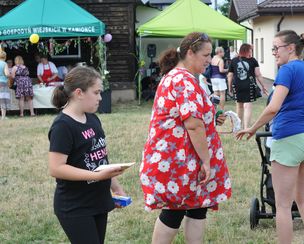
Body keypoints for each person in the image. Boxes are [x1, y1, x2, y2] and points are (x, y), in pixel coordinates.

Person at [140, 32, 231, 244]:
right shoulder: (182, 80)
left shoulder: (185, 78)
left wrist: (211, 117)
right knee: (174, 211)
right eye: (205, 55)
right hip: (178, 160)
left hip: (186, 158)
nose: (209, 60)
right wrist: (206, 161)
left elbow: (193, 116)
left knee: (198, 207)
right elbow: (193, 124)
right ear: (190, 52)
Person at [236, 30, 304, 244]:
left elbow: (273, 107)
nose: (273, 52)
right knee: (303, 199)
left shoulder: (286, 70)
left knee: (283, 205)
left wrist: (253, 127)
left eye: (276, 48)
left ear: (291, 48)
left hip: (290, 137)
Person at [48, 66, 126, 244]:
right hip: (75, 206)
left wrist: (116, 187)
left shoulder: (92, 119)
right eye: (96, 92)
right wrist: (96, 176)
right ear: (79, 93)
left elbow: (101, 158)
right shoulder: (63, 126)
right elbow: (56, 168)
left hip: (98, 200)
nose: (100, 97)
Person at [227, 43, 268, 129]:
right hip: (248, 85)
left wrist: (230, 87)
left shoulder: (234, 60)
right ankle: (246, 127)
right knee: (247, 106)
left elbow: (230, 75)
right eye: (251, 50)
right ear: (248, 51)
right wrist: (263, 86)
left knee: (239, 105)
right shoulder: (253, 60)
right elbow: (258, 74)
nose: (251, 52)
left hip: (237, 85)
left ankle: (238, 126)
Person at [210, 46, 228, 110]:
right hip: (220, 78)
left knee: (216, 94)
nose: (224, 53)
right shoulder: (220, 60)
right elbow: (221, 70)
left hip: (213, 78)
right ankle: (222, 108)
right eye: (223, 52)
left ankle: (214, 108)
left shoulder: (213, 58)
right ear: (219, 52)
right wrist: (228, 70)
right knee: (222, 94)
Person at [0, 50, 11, 120]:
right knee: (3, 99)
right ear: (5, 57)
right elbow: (7, 74)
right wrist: (10, 75)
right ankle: (3, 117)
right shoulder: (4, 64)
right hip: (3, 82)